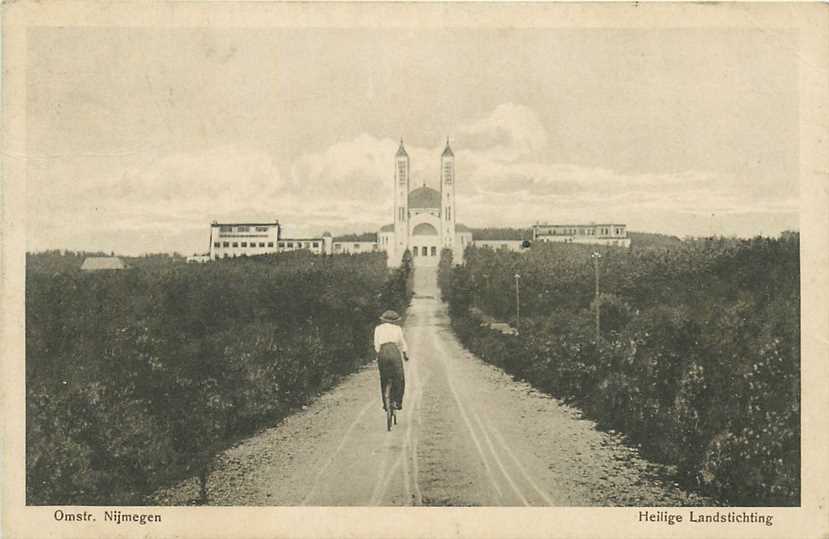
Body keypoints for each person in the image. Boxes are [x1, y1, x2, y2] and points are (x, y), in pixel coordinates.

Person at [373, 310, 409, 411]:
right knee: (399, 377)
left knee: (383, 378)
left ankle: (385, 404)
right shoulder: (398, 329)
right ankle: (398, 402)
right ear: (395, 321)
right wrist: (405, 354)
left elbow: (376, 345)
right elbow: (402, 343)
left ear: (383, 320)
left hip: (383, 351)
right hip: (394, 351)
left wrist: (379, 354)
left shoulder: (378, 329)